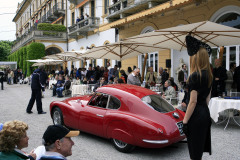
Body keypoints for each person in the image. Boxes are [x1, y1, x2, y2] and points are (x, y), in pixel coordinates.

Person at [183, 35, 213, 160]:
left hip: (195, 116)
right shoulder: (209, 75)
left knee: (194, 151)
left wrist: (185, 121)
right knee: (199, 149)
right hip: (205, 113)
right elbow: (207, 99)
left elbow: (193, 102)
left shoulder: (195, 76)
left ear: (196, 58)